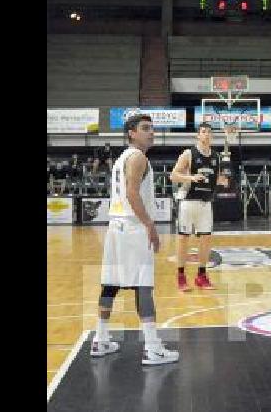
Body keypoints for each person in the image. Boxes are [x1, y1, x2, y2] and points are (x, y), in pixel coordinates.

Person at [91, 114, 179, 365]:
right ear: (131, 133)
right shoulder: (138, 157)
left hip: (115, 227)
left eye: (152, 128)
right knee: (143, 286)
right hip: (132, 227)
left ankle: (101, 338)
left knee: (110, 284)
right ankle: (152, 347)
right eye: (145, 128)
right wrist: (150, 224)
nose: (151, 132)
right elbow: (131, 192)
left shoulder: (121, 158)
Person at [170, 122, 228, 291]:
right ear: (198, 135)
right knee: (183, 239)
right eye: (203, 131)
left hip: (205, 203)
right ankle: (181, 276)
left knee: (206, 240)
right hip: (188, 202)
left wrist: (221, 181)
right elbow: (173, 176)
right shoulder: (189, 153)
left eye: (209, 132)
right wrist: (191, 178)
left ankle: (201, 276)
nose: (206, 134)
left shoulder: (216, 157)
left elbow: (214, 178)